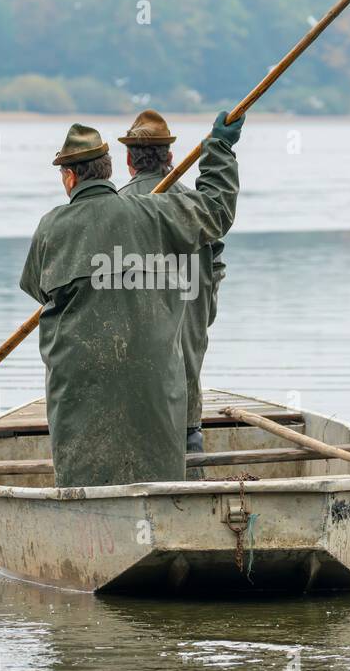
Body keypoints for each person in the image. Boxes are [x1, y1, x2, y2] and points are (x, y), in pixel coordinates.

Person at [19, 112, 243, 487]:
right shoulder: (156, 213)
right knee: (167, 464)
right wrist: (219, 149)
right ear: (108, 169)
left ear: (70, 177)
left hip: (80, 396)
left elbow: (37, 289)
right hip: (163, 391)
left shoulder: (51, 227)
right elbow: (216, 211)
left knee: (85, 477)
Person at [117, 110, 225, 456]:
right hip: (186, 385)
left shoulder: (113, 208)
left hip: (132, 393)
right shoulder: (195, 207)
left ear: (129, 160)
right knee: (190, 449)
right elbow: (211, 281)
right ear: (170, 158)